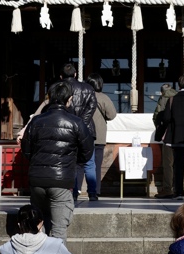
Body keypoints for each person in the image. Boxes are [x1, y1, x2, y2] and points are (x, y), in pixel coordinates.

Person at [21, 80, 93, 240]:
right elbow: (87, 152)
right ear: (69, 99)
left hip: (37, 180)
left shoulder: (36, 121)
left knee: (36, 229)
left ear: (50, 98)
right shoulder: (76, 122)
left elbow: (26, 150)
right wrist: (71, 162)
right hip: (61, 181)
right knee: (58, 232)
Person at [60, 63, 97, 201]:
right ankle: (92, 193)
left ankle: (73, 192)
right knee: (89, 162)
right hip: (87, 129)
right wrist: (82, 122)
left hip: (66, 129)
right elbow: (92, 106)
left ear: (61, 76)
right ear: (75, 74)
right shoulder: (87, 88)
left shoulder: (59, 88)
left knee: (72, 162)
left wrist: (73, 123)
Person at [80, 73, 116, 201]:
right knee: (96, 164)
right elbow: (112, 115)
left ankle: (77, 189)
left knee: (80, 164)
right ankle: (95, 191)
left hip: (83, 134)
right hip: (99, 136)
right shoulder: (104, 98)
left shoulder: (82, 96)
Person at [153, 82, 177, 198]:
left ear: (162, 91)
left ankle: (168, 188)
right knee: (181, 162)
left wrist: (159, 129)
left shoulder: (163, 99)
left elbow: (157, 116)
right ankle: (182, 187)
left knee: (168, 163)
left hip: (168, 135)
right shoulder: (178, 96)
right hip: (181, 135)